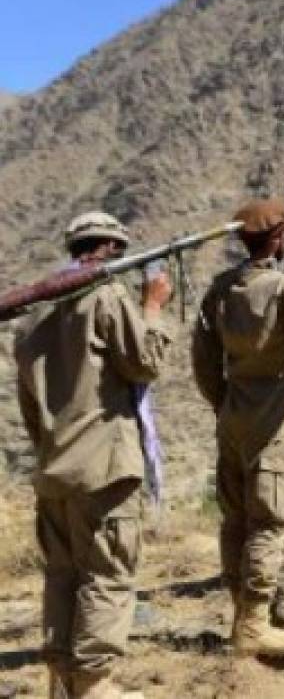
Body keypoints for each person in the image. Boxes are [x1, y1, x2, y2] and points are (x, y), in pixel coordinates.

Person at [14, 212, 173, 699]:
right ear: (109, 249)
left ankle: (62, 681)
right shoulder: (106, 297)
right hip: (102, 467)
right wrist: (152, 306)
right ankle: (95, 685)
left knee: (63, 576)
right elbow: (146, 362)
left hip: (55, 469)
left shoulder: (35, 314)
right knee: (107, 575)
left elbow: (28, 403)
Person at [192, 198, 284, 658]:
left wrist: (223, 400)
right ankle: (253, 626)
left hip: (233, 412)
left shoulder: (220, 289)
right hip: (273, 419)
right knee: (268, 522)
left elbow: (201, 360)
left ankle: (241, 613)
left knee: (235, 520)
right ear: (277, 238)